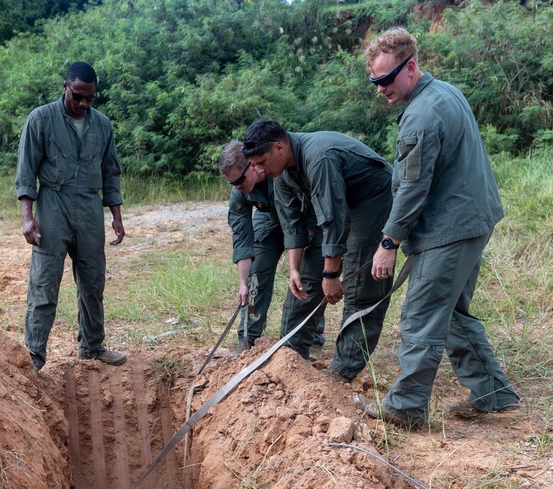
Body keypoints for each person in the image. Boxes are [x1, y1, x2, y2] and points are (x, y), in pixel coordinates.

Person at [357, 27, 519, 427]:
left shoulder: (421, 115)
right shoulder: (445, 92)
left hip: (449, 228)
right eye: (374, 81)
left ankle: (406, 407)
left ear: (410, 67)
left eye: (385, 79)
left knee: (420, 315)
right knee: (451, 313)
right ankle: (493, 392)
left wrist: (389, 241)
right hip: (472, 220)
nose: (379, 88)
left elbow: (411, 188)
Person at [242, 119, 394, 382]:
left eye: (261, 163)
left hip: (372, 199)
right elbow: (293, 225)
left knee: (361, 285)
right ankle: (290, 358)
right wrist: (293, 269)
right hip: (338, 206)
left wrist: (332, 275)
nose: (258, 171)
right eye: (253, 165)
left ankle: (343, 371)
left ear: (279, 147)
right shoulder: (282, 172)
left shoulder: (318, 157)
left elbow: (334, 218)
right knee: (305, 281)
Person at [15, 61, 127, 370]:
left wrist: (116, 215)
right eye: (77, 96)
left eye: (90, 98)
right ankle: (33, 359)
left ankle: (92, 346)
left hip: (90, 208)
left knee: (93, 280)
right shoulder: (40, 119)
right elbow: (26, 172)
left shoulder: (102, 125)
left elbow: (110, 173)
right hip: (53, 205)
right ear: (65, 87)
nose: (83, 104)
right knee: (44, 282)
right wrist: (28, 217)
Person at [219, 140, 323, 357]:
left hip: (303, 220)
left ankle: (308, 338)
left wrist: (305, 249)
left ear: (253, 165)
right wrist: (242, 283)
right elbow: (242, 238)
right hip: (268, 219)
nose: (236, 186)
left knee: (307, 275)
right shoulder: (240, 191)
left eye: (239, 180)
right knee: (255, 278)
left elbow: (312, 211)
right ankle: (247, 338)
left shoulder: (282, 171)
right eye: (232, 183)